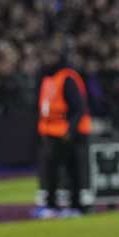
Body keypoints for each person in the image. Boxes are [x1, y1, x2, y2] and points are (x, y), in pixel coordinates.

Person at [37, 65, 91, 217]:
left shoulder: (66, 78)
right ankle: (51, 205)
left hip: (66, 133)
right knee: (50, 172)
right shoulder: (48, 79)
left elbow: (79, 108)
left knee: (72, 170)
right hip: (50, 133)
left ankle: (75, 206)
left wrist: (70, 131)